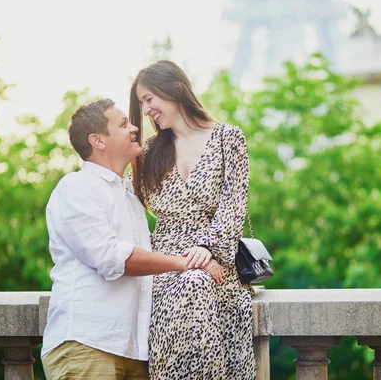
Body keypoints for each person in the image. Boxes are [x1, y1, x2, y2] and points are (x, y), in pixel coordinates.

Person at [41, 98, 223, 380]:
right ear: (98, 140)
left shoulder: (130, 196)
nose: (135, 128)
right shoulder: (77, 188)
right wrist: (183, 263)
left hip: (135, 352)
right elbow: (112, 258)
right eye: (123, 124)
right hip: (88, 345)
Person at [130, 60, 256, 380]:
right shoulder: (149, 150)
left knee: (197, 281)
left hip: (215, 263)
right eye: (142, 103)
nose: (146, 110)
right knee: (190, 280)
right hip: (164, 266)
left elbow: (233, 205)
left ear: (175, 89)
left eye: (149, 99)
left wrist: (207, 249)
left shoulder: (229, 138)